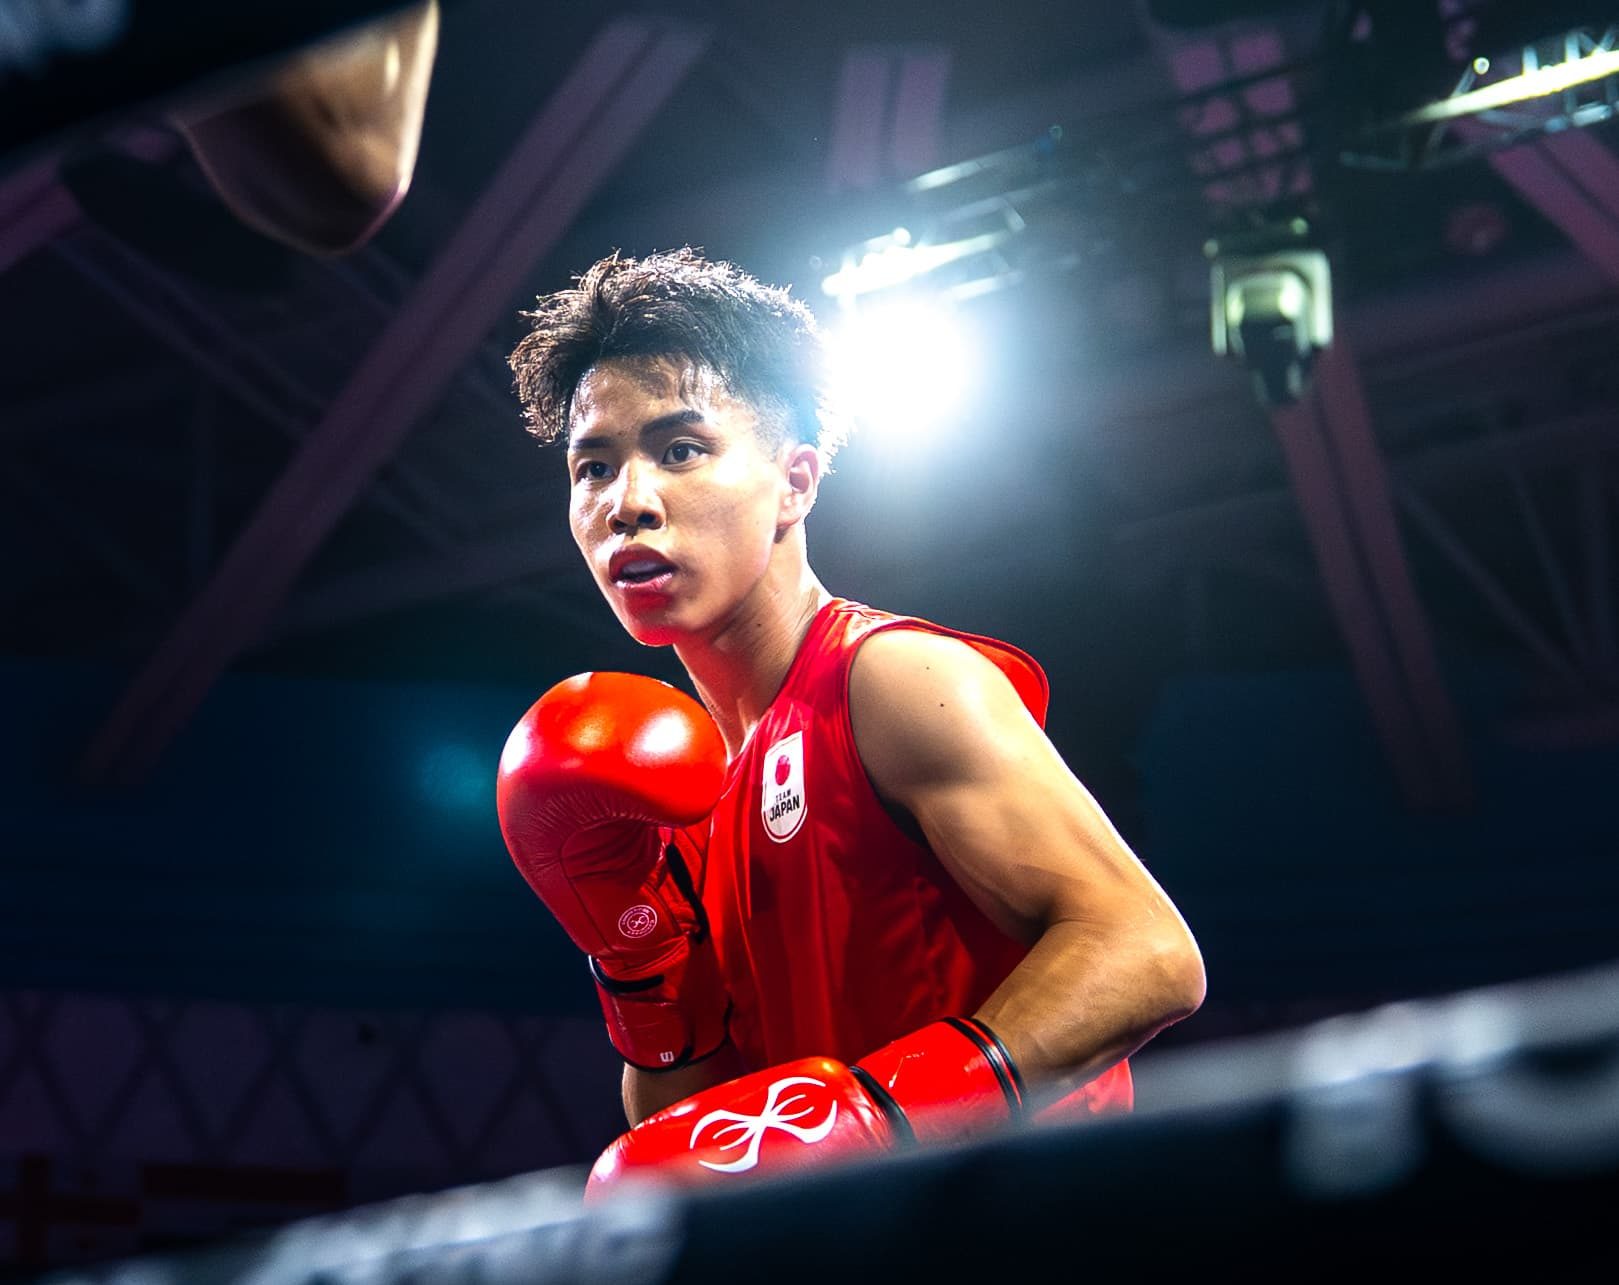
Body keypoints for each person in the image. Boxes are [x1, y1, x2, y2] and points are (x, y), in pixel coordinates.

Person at [497, 248, 1205, 1192]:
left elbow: (1147, 951)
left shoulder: (893, 679)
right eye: (594, 466)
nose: (628, 503)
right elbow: (693, 1133)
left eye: (680, 449)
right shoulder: (671, 794)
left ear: (795, 483)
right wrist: (636, 956)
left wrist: (881, 1112)